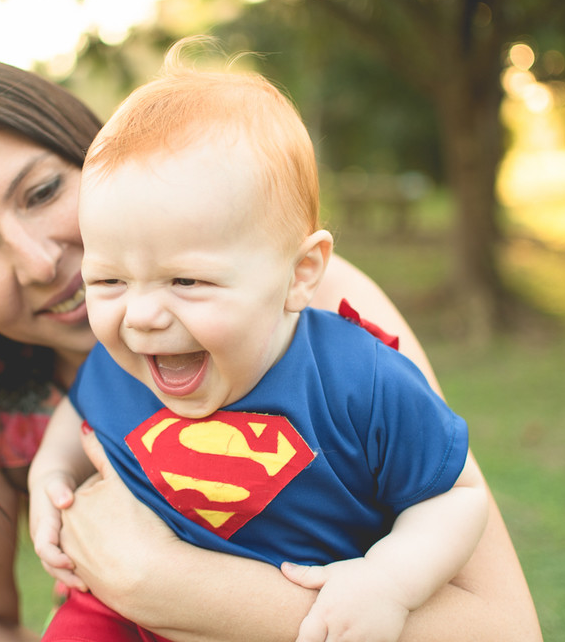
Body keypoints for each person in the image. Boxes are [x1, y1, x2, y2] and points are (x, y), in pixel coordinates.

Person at [0, 53, 542, 642]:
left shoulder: (320, 317)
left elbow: (506, 628)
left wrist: (175, 586)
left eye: (44, 191)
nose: (37, 260)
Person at [28, 50, 489, 642]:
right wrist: (50, 468)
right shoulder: (125, 364)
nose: (139, 316)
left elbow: (455, 497)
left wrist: (388, 581)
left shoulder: (360, 379)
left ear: (299, 274)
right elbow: (81, 409)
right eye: (109, 281)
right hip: (115, 616)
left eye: (186, 281)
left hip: (269, 621)